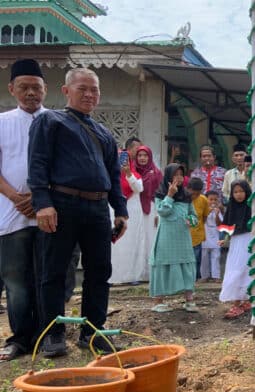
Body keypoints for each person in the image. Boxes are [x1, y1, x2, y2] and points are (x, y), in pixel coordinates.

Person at [28, 67, 128, 357]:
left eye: (94, 89)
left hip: (97, 208)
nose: (89, 94)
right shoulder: (50, 120)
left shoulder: (104, 133)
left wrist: (120, 211)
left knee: (100, 271)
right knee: (54, 271)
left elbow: (113, 173)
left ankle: (93, 333)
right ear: (66, 91)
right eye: (82, 88)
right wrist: (42, 204)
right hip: (61, 204)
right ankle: (52, 334)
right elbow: (37, 164)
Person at [0, 59, 46, 361]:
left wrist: (41, 198)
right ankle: (19, 339)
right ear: (12, 89)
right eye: (24, 87)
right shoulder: (2, 121)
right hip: (11, 214)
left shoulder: (55, 121)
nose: (31, 93)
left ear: (45, 89)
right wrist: (17, 198)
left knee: (47, 278)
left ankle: (45, 334)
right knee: (15, 281)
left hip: (47, 213)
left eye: (36, 87)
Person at [149, 164, 199, 313]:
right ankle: (159, 301)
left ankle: (189, 300)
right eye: (175, 175)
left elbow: (194, 216)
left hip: (182, 237)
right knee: (163, 264)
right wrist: (170, 195)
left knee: (186, 264)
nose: (178, 178)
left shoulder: (186, 196)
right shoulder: (160, 194)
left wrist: (191, 220)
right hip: (166, 237)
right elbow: (162, 212)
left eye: (181, 175)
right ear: (168, 177)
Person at [219, 180, 255, 319]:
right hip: (236, 243)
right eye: (235, 192)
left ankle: (246, 301)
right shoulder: (232, 207)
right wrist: (225, 239)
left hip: (250, 241)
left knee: (247, 269)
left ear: (246, 192)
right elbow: (228, 226)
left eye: (241, 191)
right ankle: (236, 302)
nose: (239, 195)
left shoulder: (252, 205)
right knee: (235, 269)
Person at [109, 148, 146, 285]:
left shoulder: (135, 174)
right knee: (115, 245)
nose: (122, 162)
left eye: (125, 159)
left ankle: (132, 277)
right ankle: (113, 277)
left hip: (133, 212)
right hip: (115, 212)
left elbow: (139, 189)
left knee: (132, 244)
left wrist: (128, 174)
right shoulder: (110, 176)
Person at [134, 145, 162, 282]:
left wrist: (158, 213)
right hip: (136, 210)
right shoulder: (132, 172)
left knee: (151, 240)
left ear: (149, 157)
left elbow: (161, 194)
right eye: (140, 155)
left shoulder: (156, 173)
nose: (142, 158)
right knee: (138, 241)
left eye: (145, 155)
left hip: (152, 210)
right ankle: (138, 274)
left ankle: (151, 274)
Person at [187, 177, 209, 281]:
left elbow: (205, 217)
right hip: (184, 235)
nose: (195, 196)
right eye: (193, 194)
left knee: (196, 258)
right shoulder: (182, 199)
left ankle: (195, 278)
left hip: (197, 235)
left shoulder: (203, 200)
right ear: (188, 189)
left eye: (197, 194)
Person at [201, 190, 223, 282]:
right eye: (211, 199)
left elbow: (219, 224)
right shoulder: (203, 210)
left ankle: (216, 276)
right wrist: (208, 212)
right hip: (205, 236)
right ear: (206, 200)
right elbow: (201, 221)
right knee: (204, 257)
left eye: (215, 200)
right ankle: (204, 276)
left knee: (216, 256)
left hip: (215, 236)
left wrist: (217, 214)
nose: (213, 202)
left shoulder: (218, 211)